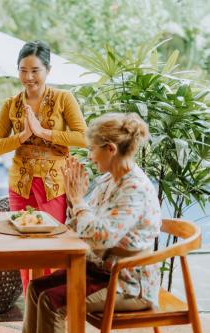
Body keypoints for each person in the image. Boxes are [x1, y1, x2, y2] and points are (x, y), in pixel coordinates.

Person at [22, 113, 162, 333]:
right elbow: (81, 229)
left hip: (128, 284)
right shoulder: (109, 181)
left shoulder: (134, 189)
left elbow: (99, 239)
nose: (89, 156)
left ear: (111, 149)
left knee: (51, 302)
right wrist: (72, 199)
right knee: (35, 288)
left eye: (92, 148)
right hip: (99, 270)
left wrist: (78, 201)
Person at [0, 40, 87, 295]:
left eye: (35, 70)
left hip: (54, 183)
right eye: (23, 70)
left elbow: (84, 138)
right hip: (20, 185)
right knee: (25, 250)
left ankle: (52, 309)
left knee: (51, 248)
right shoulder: (10, 104)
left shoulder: (64, 99)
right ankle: (31, 313)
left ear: (48, 70)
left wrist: (44, 132)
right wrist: (22, 136)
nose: (28, 76)